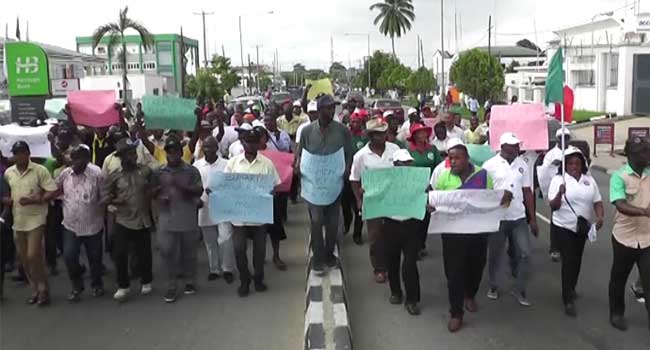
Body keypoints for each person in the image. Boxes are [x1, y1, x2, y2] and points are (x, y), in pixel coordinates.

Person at [430, 138, 507, 332]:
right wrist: (431, 206)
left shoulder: (482, 175)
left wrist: (503, 197)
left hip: (477, 232)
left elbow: (491, 198)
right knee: (454, 273)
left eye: (457, 158)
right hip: (452, 234)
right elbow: (435, 199)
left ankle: (470, 295)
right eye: (450, 158)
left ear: (466, 158)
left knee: (476, 266)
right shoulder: (444, 177)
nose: (453, 161)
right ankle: (456, 313)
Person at [296, 94, 353, 275]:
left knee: (332, 224)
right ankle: (318, 259)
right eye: (328, 108)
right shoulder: (306, 131)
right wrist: (298, 167)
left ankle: (329, 254)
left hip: (334, 184)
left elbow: (349, 154)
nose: (332, 111)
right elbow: (300, 155)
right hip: (313, 184)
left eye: (333, 108)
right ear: (320, 110)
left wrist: (347, 169)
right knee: (316, 220)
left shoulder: (342, 131)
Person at [547, 146, 604, 317]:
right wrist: (559, 193)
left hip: (582, 227)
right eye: (570, 163)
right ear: (565, 165)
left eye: (577, 163)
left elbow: (597, 201)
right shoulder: (558, 180)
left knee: (577, 260)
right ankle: (567, 299)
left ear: (582, 165)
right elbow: (553, 206)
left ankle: (571, 287)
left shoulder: (589, 181)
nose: (574, 166)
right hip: (563, 226)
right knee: (569, 260)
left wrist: (600, 217)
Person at [483, 133, 539, 307]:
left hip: (518, 217)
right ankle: (493, 285)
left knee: (525, 253)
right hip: (498, 218)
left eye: (517, 145)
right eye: (513, 145)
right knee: (495, 254)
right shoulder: (489, 166)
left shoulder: (522, 164)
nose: (517, 148)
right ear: (503, 147)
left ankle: (519, 288)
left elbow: (528, 192)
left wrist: (533, 218)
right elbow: (482, 192)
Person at [225, 125, 281, 297]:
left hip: (259, 216)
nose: (250, 145)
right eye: (247, 142)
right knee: (239, 248)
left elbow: (275, 186)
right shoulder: (233, 163)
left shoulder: (267, 164)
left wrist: (268, 194)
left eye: (253, 142)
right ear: (242, 143)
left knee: (260, 250)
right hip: (239, 217)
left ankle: (258, 278)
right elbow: (226, 186)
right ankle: (244, 280)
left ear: (258, 144)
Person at [4, 141, 58, 306]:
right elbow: (6, 193)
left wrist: (39, 199)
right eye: (16, 153)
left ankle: (42, 290)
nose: (19, 156)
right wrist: (6, 200)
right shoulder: (9, 173)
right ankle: (35, 290)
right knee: (23, 258)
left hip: (36, 218)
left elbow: (53, 190)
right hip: (18, 219)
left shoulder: (39, 170)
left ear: (28, 153)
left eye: (22, 153)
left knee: (33, 254)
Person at [100, 139, 154, 302]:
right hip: (123, 219)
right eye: (130, 154)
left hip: (143, 218)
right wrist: (115, 200)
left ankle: (146, 280)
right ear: (122, 157)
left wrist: (151, 192)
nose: (134, 157)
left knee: (144, 252)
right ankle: (123, 285)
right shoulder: (114, 176)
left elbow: (154, 185)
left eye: (134, 153)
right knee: (120, 253)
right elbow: (104, 196)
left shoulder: (145, 171)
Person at [153, 136, 204, 303]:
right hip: (167, 218)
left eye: (175, 152)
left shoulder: (191, 171)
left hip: (187, 217)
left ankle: (189, 280)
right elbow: (152, 192)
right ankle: (171, 285)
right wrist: (159, 197)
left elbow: (199, 190)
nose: (172, 155)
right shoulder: (160, 172)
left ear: (181, 153)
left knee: (188, 252)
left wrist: (183, 188)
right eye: (169, 152)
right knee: (167, 251)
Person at [350, 118, 401, 283]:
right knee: (375, 235)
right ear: (370, 136)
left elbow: (404, 169)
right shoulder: (361, 156)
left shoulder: (395, 149)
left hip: (393, 199)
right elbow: (354, 179)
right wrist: (358, 198)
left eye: (384, 133)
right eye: (378, 134)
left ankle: (392, 265)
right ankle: (379, 268)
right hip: (373, 201)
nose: (383, 136)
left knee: (393, 234)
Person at [608, 137, 650, 331]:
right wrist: (643, 211)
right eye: (644, 151)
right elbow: (620, 204)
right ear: (632, 155)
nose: (648, 154)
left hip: (647, 238)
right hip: (624, 238)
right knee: (619, 277)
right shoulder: (619, 177)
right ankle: (616, 313)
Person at [54, 145, 105, 302]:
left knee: (95, 258)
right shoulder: (65, 174)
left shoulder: (96, 173)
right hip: (70, 225)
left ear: (87, 160)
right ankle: (77, 286)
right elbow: (56, 189)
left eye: (79, 159)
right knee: (69, 256)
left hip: (92, 224)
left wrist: (103, 205)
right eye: (73, 158)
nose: (75, 162)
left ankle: (97, 284)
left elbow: (104, 195)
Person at [383, 149, 424, 315]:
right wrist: (367, 193)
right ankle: (395, 291)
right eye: (402, 164)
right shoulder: (385, 181)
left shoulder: (418, 181)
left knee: (409, 263)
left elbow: (426, 197)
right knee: (392, 262)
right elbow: (374, 197)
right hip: (391, 225)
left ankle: (412, 299)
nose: (406, 167)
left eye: (408, 163)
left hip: (411, 225)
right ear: (395, 164)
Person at [193, 136, 235, 283]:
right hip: (204, 207)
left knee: (225, 239)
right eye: (205, 147)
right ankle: (214, 269)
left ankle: (227, 269)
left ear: (217, 148)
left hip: (223, 206)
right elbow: (194, 185)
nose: (208, 150)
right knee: (210, 241)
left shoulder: (227, 164)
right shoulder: (197, 165)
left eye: (211, 147)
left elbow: (233, 185)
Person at [408, 122, 443, 258]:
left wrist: (433, 184)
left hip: (429, 189)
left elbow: (438, 167)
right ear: (414, 136)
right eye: (419, 133)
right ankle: (414, 247)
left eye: (424, 132)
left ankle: (421, 244)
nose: (423, 135)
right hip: (413, 190)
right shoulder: (409, 151)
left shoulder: (432, 149)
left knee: (425, 219)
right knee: (414, 219)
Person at [542, 128, 573, 262]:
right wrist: (554, 165)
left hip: (572, 188)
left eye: (566, 137)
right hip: (556, 188)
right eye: (561, 137)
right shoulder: (551, 154)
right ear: (557, 139)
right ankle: (554, 248)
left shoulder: (574, 152)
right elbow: (544, 172)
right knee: (556, 218)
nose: (564, 140)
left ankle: (569, 245)